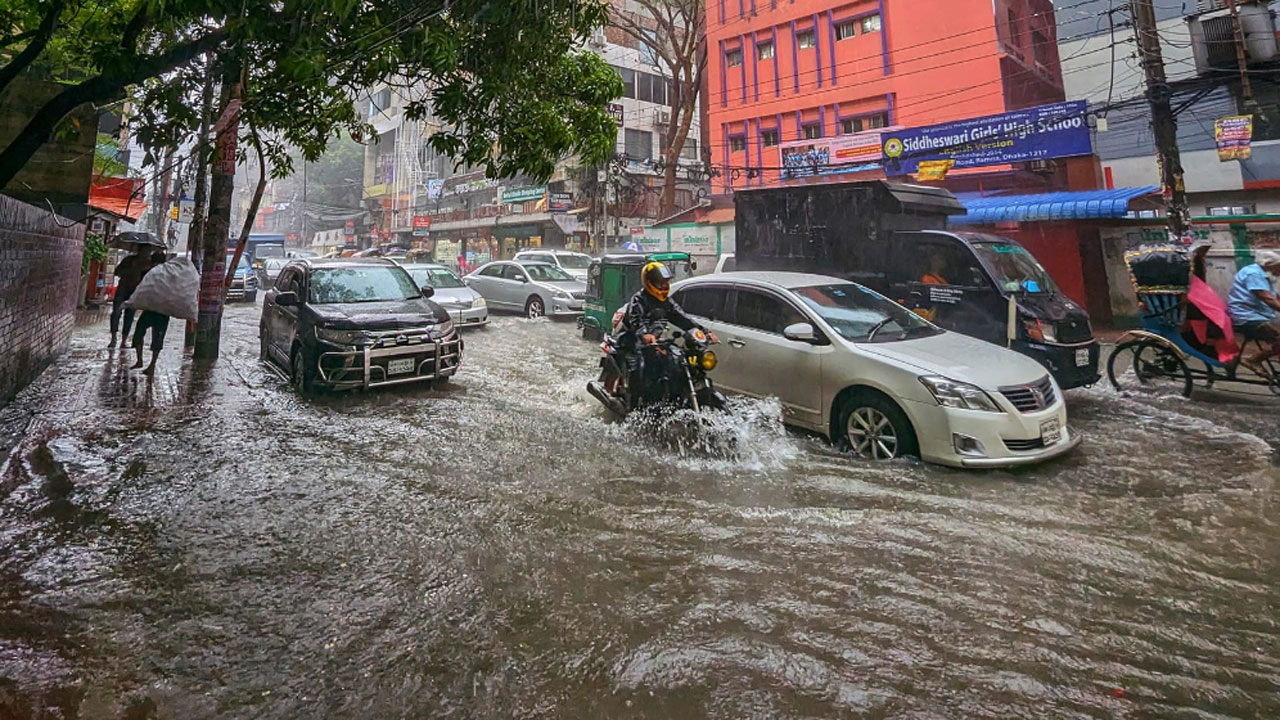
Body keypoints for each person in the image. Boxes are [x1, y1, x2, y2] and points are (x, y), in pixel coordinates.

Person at [614, 261, 716, 407]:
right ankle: (633, 406)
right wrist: (644, 334)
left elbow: (683, 318)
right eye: (660, 283)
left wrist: (704, 331)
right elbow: (636, 320)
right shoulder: (639, 300)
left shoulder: (667, 302)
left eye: (666, 282)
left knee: (675, 359)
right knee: (639, 366)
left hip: (654, 342)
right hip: (631, 341)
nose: (663, 286)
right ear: (649, 282)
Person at [1226, 249, 1280, 376]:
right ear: (1269, 265)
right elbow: (1267, 298)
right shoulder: (1253, 274)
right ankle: (1253, 360)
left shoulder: (1266, 275)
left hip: (1258, 314)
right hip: (1247, 317)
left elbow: (1276, 297)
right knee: (1278, 338)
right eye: (1278, 267)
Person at [130, 251, 171, 376]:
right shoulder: (168, 275)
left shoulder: (149, 273)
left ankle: (146, 363)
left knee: (144, 334)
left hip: (156, 310)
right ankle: (146, 363)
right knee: (154, 337)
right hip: (161, 311)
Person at [109, 245, 148, 348]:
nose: (146, 254)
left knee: (129, 315)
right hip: (123, 289)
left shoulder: (147, 264)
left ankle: (124, 340)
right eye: (144, 251)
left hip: (134, 291)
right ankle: (113, 338)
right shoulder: (128, 260)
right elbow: (117, 272)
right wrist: (130, 269)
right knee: (116, 312)